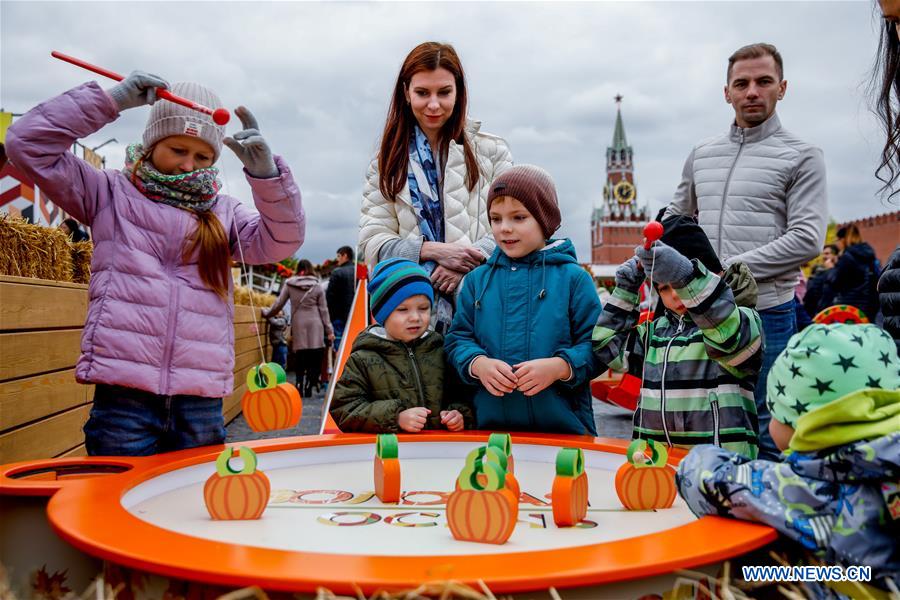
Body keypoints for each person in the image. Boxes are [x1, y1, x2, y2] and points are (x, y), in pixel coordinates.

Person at [5, 72, 304, 456]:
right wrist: (110, 101)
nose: (187, 164)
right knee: (114, 504)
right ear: (151, 144)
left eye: (202, 157)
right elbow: (27, 142)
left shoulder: (224, 213)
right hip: (124, 397)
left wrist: (268, 177)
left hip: (199, 400)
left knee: (190, 509)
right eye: (177, 150)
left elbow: (283, 240)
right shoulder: (108, 192)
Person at [664, 43, 828, 460]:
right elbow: (674, 220)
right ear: (727, 92)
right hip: (701, 315)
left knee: (767, 427)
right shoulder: (702, 154)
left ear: (782, 88)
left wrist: (729, 270)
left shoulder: (803, 155)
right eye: (742, 83)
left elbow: (808, 237)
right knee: (701, 422)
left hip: (767, 313)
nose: (752, 91)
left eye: (763, 81)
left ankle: (767, 522)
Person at [676, 324, 900, 591]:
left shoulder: (809, 486)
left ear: (804, 425)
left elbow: (698, 473)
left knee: (749, 574)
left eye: (775, 411)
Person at [359, 41, 513, 333]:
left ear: (459, 92)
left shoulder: (492, 152)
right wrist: (432, 251)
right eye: (422, 93)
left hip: (486, 310)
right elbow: (373, 246)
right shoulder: (386, 163)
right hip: (412, 319)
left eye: (444, 92)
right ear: (406, 92)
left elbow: (514, 226)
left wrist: (464, 263)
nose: (433, 104)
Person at [445, 165, 601, 435]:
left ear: (545, 219)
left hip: (565, 431)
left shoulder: (574, 279)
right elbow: (458, 339)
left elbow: (599, 346)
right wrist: (477, 363)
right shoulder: (476, 281)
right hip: (488, 431)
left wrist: (561, 367)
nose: (505, 228)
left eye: (518, 217)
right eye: (495, 219)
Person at [593, 216, 763, 458]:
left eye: (680, 282)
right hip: (655, 467)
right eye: (664, 287)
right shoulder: (655, 333)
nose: (675, 294)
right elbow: (608, 347)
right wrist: (626, 288)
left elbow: (729, 338)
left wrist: (687, 277)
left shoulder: (741, 320)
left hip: (721, 470)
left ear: (713, 274)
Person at [330, 258, 473, 433]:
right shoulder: (363, 359)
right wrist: (396, 417)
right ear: (383, 314)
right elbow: (344, 409)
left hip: (438, 453)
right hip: (391, 453)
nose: (415, 317)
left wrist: (459, 414)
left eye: (423, 308)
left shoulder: (440, 349)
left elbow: (462, 394)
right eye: (403, 310)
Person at [264, 259, 333, 397]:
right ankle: (309, 385)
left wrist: (267, 313)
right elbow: (324, 310)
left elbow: (279, 303)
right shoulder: (317, 286)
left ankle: (299, 383)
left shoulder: (289, 284)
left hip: (299, 323)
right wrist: (329, 330)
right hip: (316, 324)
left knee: (301, 356)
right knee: (314, 357)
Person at [830, 224, 881, 320]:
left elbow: (835, 283)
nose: (836, 244)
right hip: (870, 306)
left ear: (843, 240)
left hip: (850, 306)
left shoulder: (847, 257)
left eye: (836, 240)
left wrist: (832, 269)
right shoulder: (869, 254)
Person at [325, 245, 356, 348]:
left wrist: (329, 317)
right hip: (356, 315)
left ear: (345, 256)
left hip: (338, 316)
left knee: (339, 345)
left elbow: (329, 297)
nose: (337, 259)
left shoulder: (337, 272)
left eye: (338, 256)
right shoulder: (359, 272)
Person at [802, 243, 838, 318]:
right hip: (814, 311)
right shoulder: (817, 271)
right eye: (823, 254)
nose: (824, 256)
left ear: (835, 256)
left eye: (827, 254)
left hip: (830, 310)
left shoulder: (837, 272)